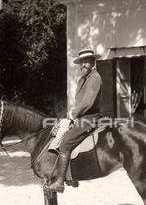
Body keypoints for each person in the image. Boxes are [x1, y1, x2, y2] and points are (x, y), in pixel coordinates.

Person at [43, 48, 103, 193]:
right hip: (81, 117)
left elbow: (88, 103)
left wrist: (72, 114)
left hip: (89, 118)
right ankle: (72, 176)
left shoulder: (95, 78)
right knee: (59, 134)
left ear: (93, 62)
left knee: (65, 145)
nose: (83, 65)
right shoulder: (83, 79)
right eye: (81, 62)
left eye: (86, 62)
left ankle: (59, 183)